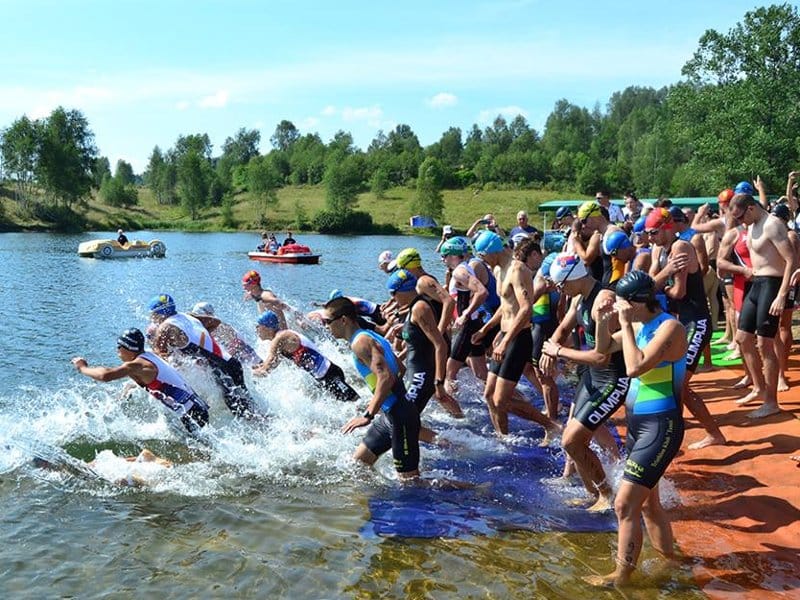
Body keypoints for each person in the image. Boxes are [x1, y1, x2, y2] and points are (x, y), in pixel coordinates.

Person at [588, 270, 687, 587]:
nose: (618, 308)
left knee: (624, 503)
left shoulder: (669, 327)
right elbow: (603, 352)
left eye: (620, 303)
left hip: (661, 425)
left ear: (635, 303)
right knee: (649, 504)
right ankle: (670, 562)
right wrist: (604, 321)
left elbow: (634, 367)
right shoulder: (640, 324)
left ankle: (622, 575)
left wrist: (627, 324)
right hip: (638, 425)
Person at [540, 253, 629, 511]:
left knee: (572, 441)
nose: (559, 290)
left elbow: (602, 356)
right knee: (571, 440)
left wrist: (559, 353)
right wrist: (550, 348)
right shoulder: (578, 298)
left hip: (613, 379)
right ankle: (595, 494)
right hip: (591, 376)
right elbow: (564, 329)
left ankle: (608, 494)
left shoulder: (604, 300)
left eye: (560, 285)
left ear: (573, 278)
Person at [646, 207, 725, 449]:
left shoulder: (681, 247)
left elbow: (676, 291)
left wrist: (662, 282)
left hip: (696, 322)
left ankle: (676, 437)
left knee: (678, 384)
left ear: (667, 227)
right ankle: (704, 434)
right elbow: (650, 284)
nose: (650, 238)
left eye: (653, 232)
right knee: (677, 384)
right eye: (647, 233)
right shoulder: (659, 250)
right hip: (680, 323)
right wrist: (664, 276)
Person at [471, 234, 560, 439]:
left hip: (518, 338)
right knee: (489, 396)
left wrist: (506, 340)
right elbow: (506, 306)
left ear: (494, 250)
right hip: (505, 335)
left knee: (502, 400)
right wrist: (487, 329)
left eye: (485, 255)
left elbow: (526, 309)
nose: (483, 260)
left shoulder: (518, 269)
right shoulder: (497, 268)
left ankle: (551, 425)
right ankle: (502, 438)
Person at [323, 297, 421, 480]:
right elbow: (400, 368)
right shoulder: (370, 336)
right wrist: (387, 401)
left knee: (411, 482)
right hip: (391, 414)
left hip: (400, 416)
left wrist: (368, 415)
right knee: (358, 464)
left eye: (327, 322)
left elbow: (386, 377)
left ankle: (474, 493)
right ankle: (367, 504)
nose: (326, 326)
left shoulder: (360, 343)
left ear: (343, 320)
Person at [730, 192, 796, 417]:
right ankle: (758, 387)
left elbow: (791, 260)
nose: (740, 223)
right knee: (742, 338)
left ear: (750, 208)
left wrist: (782, 294)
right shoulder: (752, 225)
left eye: (740, 217)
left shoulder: (772, 225)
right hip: (756, 284)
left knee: (765, 343)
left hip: (772, 284)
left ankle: (771, 401)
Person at [71, 328, 209, 435]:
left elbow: (105, 375)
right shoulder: (148, 356)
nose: (117, 351)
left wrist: (82, 367)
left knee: (202, 452)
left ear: (127, 349)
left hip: (191, 415)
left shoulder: (138, 365)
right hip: (197, 407)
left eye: (118, 348)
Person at [148, 294, 258, 419]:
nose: (152, 318)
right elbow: (215, 322)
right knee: (247, 403)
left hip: (223, 370)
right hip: (232, 364)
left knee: (241, 412)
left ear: (158, 314)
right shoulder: (188, 316)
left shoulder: (164, 328)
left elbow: (160, 360)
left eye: (152, 315)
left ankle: (264, 432)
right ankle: (268, 423)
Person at [387, 269, 463, 418]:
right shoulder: (414, 306)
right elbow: (419, 340)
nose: (392, 298)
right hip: (416, 370)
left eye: (393, 293)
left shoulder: (420, 308)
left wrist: (439, 382)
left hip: (421, 374)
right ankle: (463, 425)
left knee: (402, 417)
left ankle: (456, 441)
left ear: (403, 291)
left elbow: (440, 345)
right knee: (436, 400)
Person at [253, 309, 359, 402]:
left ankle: (373, 417)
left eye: (258, 326)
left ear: (267, 327)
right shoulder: (282, 337)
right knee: (348, 405)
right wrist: (259, 368)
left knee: (356, 403)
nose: (256, 330)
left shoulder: (279, 339)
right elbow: (272, 363)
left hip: (330, 375)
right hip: (325, 377)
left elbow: (266, 369)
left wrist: (251, 374)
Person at [440, 237, 489, 391]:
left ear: (453, 255)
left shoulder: (460, 272)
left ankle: (454, 413)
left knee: (450, 371)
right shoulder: (462, 269)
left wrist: (465, 314)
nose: (443, 260)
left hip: (468, 326)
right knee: (481, 373)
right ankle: (508, 399)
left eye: (444, 256)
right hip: (473, 324)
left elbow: (482, 292)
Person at [389, 247, 455, 336]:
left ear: (409, 266)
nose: (402, 272)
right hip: (431, 327)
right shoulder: (421, 280)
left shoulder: (423, 282)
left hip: (438, 330)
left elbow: (449, 301)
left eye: (402, 268)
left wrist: (440, 330)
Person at [190, 302, 261, 367]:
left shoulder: (220, 328)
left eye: (199, 318)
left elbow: (237, 344)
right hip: (240, 351)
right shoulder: (201, 327)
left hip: (244, 352)